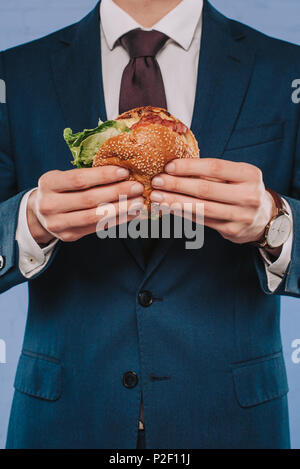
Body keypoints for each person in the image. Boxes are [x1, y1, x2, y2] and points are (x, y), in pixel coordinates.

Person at [0, 0, 299, 449]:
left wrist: (275, 221)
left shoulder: (284, 69)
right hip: (63, 420)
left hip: (233, 423)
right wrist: (29, 222)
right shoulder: (16, 73)